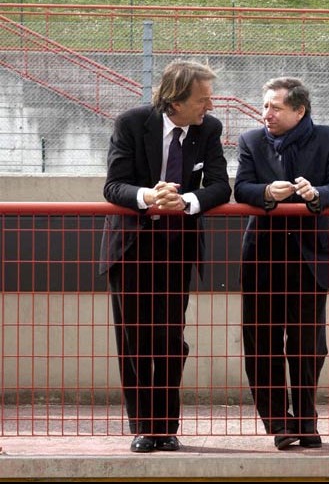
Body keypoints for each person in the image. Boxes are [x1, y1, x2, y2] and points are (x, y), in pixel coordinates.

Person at [98, 59, 232, 453]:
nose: (209, 107)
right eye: (202, 100)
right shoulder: (131, 123)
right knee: (135, 340)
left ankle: (166, 425)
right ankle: (142, 426)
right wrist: (148, 197)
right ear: (175, 99)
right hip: (133, 248)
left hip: (177, 249)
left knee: (171, 340)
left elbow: (221, 186)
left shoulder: (209, 129)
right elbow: (113, 185)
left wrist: (186, 201)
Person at [234, 77, 329, 450]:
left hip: (309, 256)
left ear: (299, 111)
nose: (266, 113)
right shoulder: (251, 141)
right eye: (265, 105)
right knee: (262, 342)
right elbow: (241, 188)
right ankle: (278, 423)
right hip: (264, 256)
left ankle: (305, 418)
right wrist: (267, 193)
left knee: (307, 344)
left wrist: (316, 195)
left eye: (275, 107)